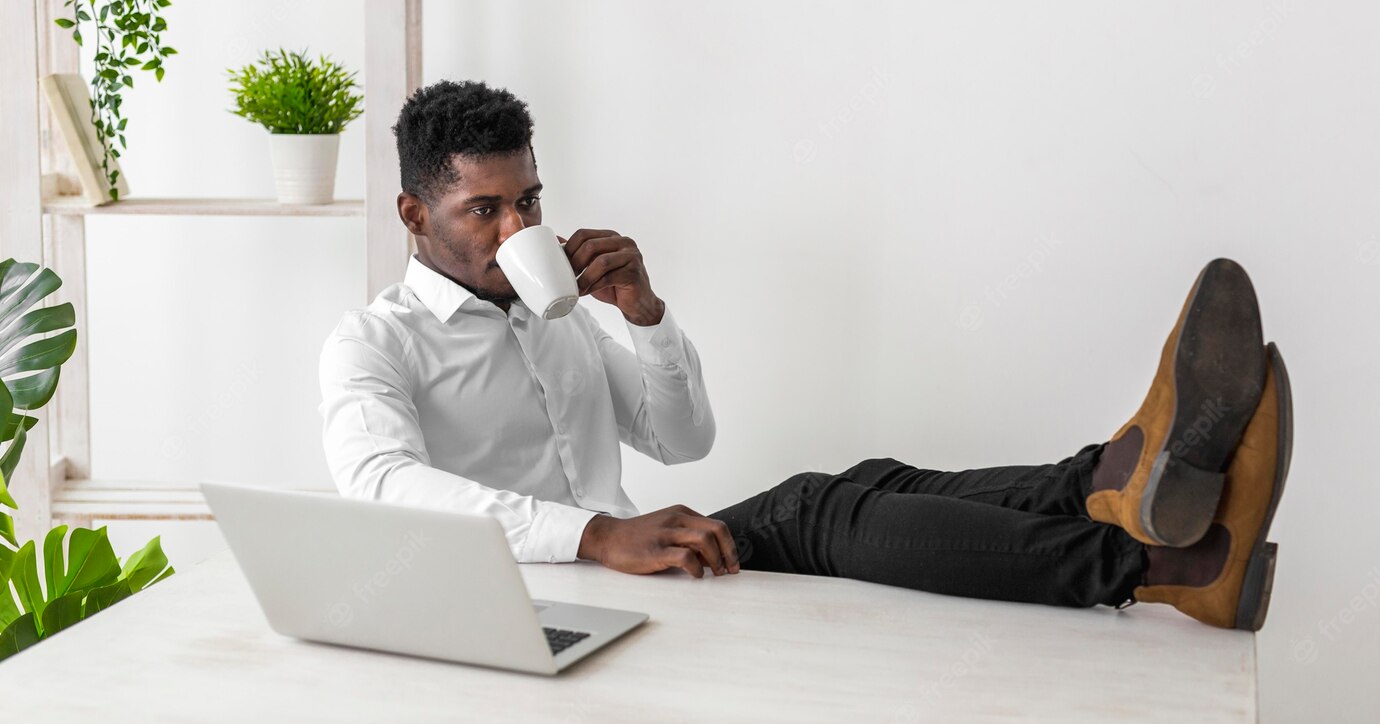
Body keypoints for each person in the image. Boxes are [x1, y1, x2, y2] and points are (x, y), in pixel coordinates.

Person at [318, 80, 1291, 633]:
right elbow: (379, 484)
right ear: (414, 213)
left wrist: (646, 317)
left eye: (528, 200)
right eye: (483, 209)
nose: (518, 225)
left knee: (863, 480)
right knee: (812, 510)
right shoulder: (374, 343)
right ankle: (1153, 559)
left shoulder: (554, 316)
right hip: (533, 608)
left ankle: (1122, 480)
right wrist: (592, 534)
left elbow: (682, 440)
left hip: (622, 577)